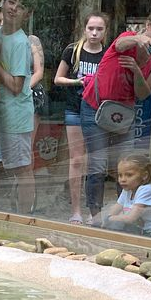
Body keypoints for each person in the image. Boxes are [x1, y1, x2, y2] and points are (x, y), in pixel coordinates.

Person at [81, 7, 151, 226]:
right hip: (95, 108)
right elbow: (120, 45)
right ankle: (95, 216)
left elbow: (143, 92)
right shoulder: (127, 38)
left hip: (123, 115)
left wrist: (135, 70)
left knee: (124, 165)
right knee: (97, 164)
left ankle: (121, 216)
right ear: (147, 26)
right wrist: (139, 39)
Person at [53, 12, 109, 225]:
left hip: (99, 111)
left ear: (105, 31)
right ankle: (75, 210)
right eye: (91, 28)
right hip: (75, 109)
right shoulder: (72, 50)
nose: (94, 33)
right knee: (77, 160)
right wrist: (79, 82)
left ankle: (95, 211)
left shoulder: (107, 53)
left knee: (97, 162)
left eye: (99, 29)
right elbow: (58, 79)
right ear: (84, 29)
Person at [0, 0, 35, 214]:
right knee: (5, 167)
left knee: (22, 169)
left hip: (15, 115)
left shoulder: (20, 43)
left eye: (20, 6)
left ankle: (24, 215)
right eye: (11, 2)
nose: (13, 8)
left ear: (27, 14)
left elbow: (16, 86)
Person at [103, 154, 151, 241]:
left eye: (129, 175)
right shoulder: (127, 190)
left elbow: (131, 218)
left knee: (119, 228)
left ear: (144, 176)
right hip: (145, 231)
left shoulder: (146, 190)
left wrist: (109, 218)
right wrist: (104, 219)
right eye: (120, 175)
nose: (122, 179)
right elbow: (116, 207)